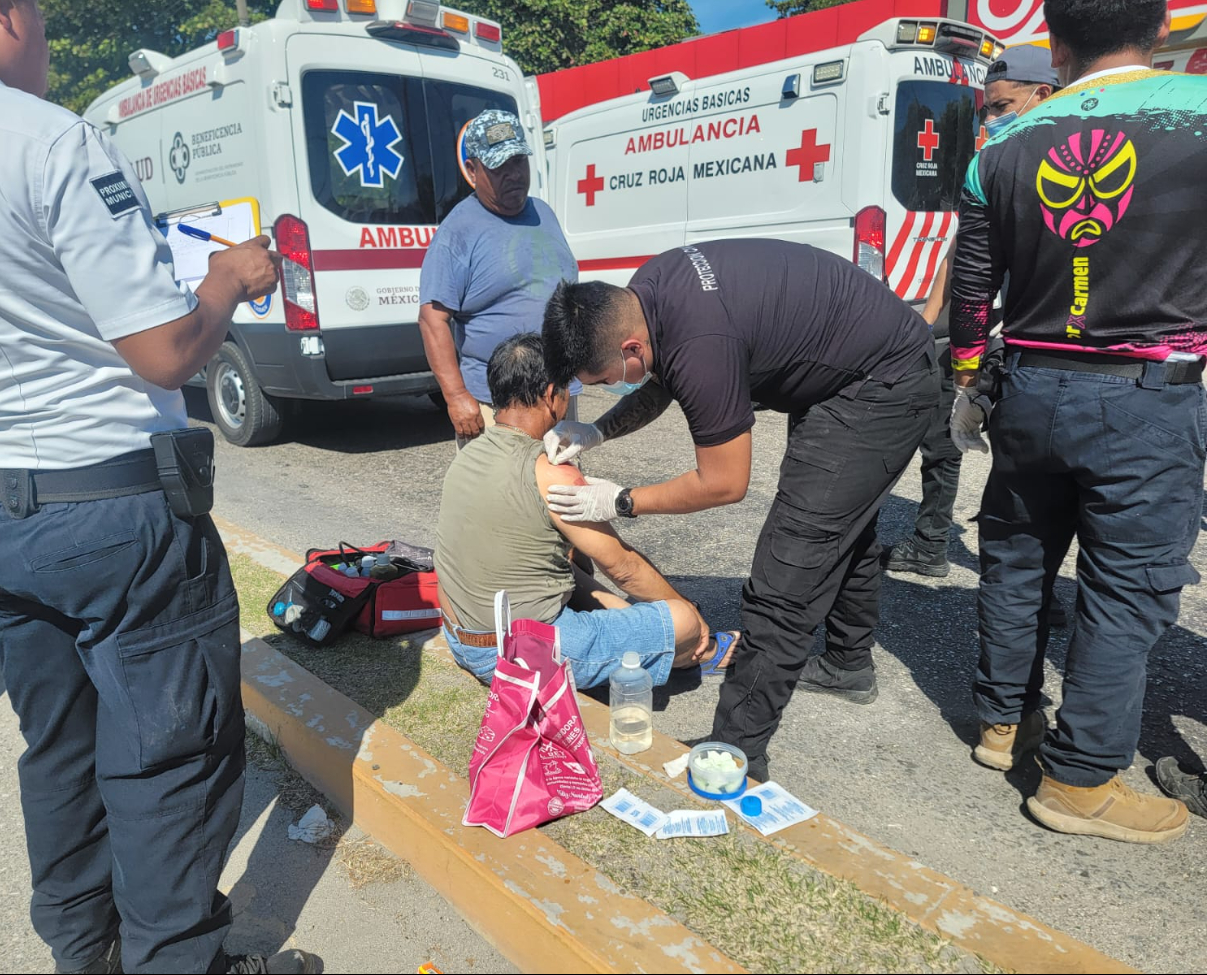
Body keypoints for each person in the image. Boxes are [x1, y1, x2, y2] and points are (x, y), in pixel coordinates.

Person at [0, 3, 317, 972]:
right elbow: (165, 351)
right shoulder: (45, 138)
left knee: (58, 743)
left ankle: (82, 948)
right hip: (108, 511)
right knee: (168, 757)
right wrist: (225, 279)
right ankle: (176, 958)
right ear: (0, 11)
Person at [948, 0, 1204, 843]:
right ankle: (1081, 779)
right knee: (1125, 589)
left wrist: (969, 383)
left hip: (1028, 383)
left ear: (1055, 43)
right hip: (1148, 392)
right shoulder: (1197, 118)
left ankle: (1000, 724)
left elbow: (972, 287)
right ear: (1162, 31)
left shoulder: (1001, 145)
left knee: (1018, 558)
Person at [541, 239, 939, 779]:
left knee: (790, 565)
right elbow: (663, 380)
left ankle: (736, 752)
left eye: (606, 379)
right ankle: (847, 663)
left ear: (631, 346)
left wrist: (620, 499)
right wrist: (597, 432)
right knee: (844, 523)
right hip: (850, 364)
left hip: (881, 383)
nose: (612, 387)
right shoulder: (650, 290)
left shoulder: (702, 339)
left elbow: (724, 483)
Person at [435, 334, 736, 688]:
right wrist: (690, 616)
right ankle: (698, 651)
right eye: (566, 389)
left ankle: (648, 630)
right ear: (551, 394)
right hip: (517, 653)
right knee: (682, 620)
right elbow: (622, 567)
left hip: (462, 636)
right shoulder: (549, 470)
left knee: (572, 566)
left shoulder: (471, 451)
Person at [887, 46, 1062, 606]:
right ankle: (936, 544)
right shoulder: (997, 162)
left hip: (1040, 349)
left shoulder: (1075, 164)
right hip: (994, 341)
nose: (992, 119)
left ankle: (1033, 592)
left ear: (1045, 95)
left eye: (1004, 106)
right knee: (955, 440)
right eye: (989, 108)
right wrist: (929, 320)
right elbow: (962, 252)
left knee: (1032, 479)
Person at [418, 109, 580, 448]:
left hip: (557, 397)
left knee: (560, 496)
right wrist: (456, 396)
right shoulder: (458, 231)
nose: (514, 175)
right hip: (497, 406)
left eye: (519, 162)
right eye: (499, 167)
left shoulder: (543, 213)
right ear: (474, 171)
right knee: (501, 499)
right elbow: (433, 320)